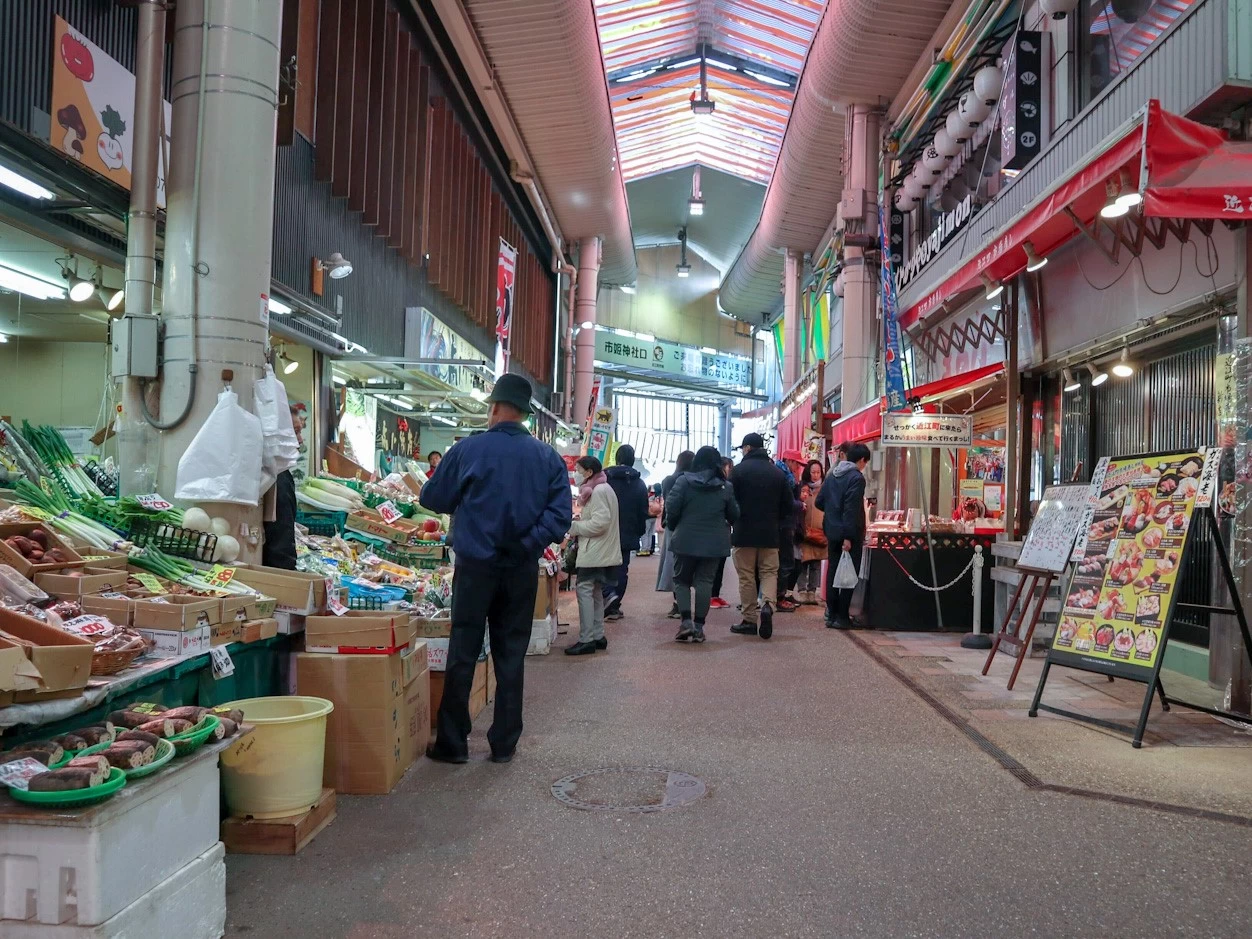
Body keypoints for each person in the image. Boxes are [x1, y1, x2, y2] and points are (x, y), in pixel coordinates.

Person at [419, 374, 572, 764]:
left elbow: (432, 496)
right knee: (510, 655)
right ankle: (504, 744)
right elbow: (559, 518)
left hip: (474, 567)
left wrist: (468, 505)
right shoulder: (547, 458)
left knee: (464, 650)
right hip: (521, 569)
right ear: (524, 413)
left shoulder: (468, 450)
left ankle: (453, 744)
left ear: (494, 408)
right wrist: (526, 542)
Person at [665, 446, 739, 643]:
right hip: (714, 543)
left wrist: (674, 526)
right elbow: (734, 514)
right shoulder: (725, 486)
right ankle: (698, 627)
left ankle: (686, 621)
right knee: (704, 583)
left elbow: (671, 509)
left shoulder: (683, 481)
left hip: (685, 540)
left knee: (681, 581)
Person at [728, 434, 793, 640]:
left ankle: (749, 619)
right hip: (770, 534)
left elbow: (729, 502)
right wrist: (776, 522)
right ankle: (767, 605)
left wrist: (734, 520)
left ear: (747, 448)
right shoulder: (777, 473)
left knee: (746, 576)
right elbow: (788, 506)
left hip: (744, 532)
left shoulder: (737, 472)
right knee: (769, 573)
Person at [565, 456, 621, 656]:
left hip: (595, 550)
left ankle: (587, 639)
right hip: (601, 550)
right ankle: (598, 635)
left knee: (584, 591)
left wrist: (574, 527)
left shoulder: (597, 492)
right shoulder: (603, 489)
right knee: (595, 592)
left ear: (589, 472)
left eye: (578, 470)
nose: (575, 474)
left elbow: (600, 523)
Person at [816, 442, 870, 630]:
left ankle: (831, 614)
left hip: (832, 531)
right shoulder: (856, 478)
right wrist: (848, 536)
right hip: (849, 533)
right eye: (865, 462)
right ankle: (842, 617)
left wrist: (833, 513)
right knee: (848, 574)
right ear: (862, 460)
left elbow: (819, 502)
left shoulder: (833, 475)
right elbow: (851, 509)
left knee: (833, 572)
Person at [603, 445, 649, 621]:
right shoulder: (639, 483)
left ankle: (608, 595)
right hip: (628, 531)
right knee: (622, 569)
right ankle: (614, 605)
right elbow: (643, 510)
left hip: (606, 530)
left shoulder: (605, 478)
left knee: (602, 566)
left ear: (616, 457)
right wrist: (640, 531)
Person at [262, 404, 305, 570]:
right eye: (295, 432)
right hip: (274, 569)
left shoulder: (276, 471)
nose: (300, 439)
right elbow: (281, 536)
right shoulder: (278, 477)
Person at [656, 450, 695, 616]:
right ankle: (686, 604)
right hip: (693, 527)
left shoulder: (669, 481)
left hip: (674, 527)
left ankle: (678, 603)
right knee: (691, 565)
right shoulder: (696, 481)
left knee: (673, 564)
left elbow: (670, 505)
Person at [708, 456, 736, 610]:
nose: (730, 471)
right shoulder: (718, 486)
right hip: (714, 531)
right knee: (712, 565)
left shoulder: (727, 486)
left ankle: (715, 594)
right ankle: (710, 596)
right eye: (728, 467)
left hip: (723, 531)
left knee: (720, 564)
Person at [796, 485, 826, 604]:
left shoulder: (823, 489)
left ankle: (812, 593)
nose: (815, 475)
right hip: (804, 532)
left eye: (818, 472)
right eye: (813, 472)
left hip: (819, 533)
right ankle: (802, 591)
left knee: (815, 565)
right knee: (802, 563)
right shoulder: (803, 488)